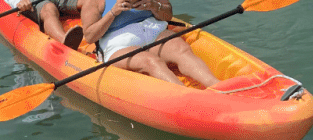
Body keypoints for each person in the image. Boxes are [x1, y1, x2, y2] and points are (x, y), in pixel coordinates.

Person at [80, 0, 220, 87]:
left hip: (153, 30)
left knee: (181, 49)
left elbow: (167, 15)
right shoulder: (94, 1)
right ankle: (187, 98)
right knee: (151, 61)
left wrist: (154, 6)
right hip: (118, 42)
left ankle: (219, 88)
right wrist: (112, 13)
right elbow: (90, 36)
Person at [4, 0, 86, 50]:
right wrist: (17, 2)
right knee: (48, 8)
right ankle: (65, 41)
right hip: (32, 2)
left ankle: (96, 31)